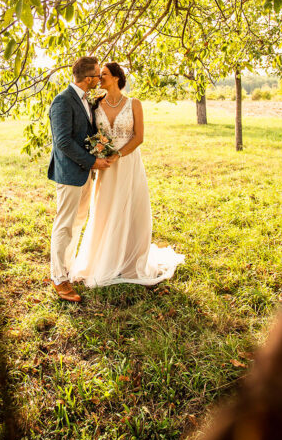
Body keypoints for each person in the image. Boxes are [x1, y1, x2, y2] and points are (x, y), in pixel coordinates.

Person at [69, 61, 184, 287]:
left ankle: (129, 260)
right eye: (99, 74)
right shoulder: (95, 104)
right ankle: (105, 257)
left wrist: (118, 155)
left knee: (130, 206)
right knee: (105, 208)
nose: (99, 78)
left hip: (128, 162)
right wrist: (97, 154)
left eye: (103, 74)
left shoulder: (134, 104)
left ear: (116, 77)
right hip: (105, 167)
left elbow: (139, 137)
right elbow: (91, 134)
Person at [48, 56, 110, 302]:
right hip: (70, 173)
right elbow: (62, 141)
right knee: (64, 225)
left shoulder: (86, 100)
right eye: (97, 75)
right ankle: (58, 279)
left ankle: (67, 268)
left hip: (84, 173)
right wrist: (93, 161)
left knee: (77, 222)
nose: (99, 79)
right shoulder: (63, 101)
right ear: (88, 79)